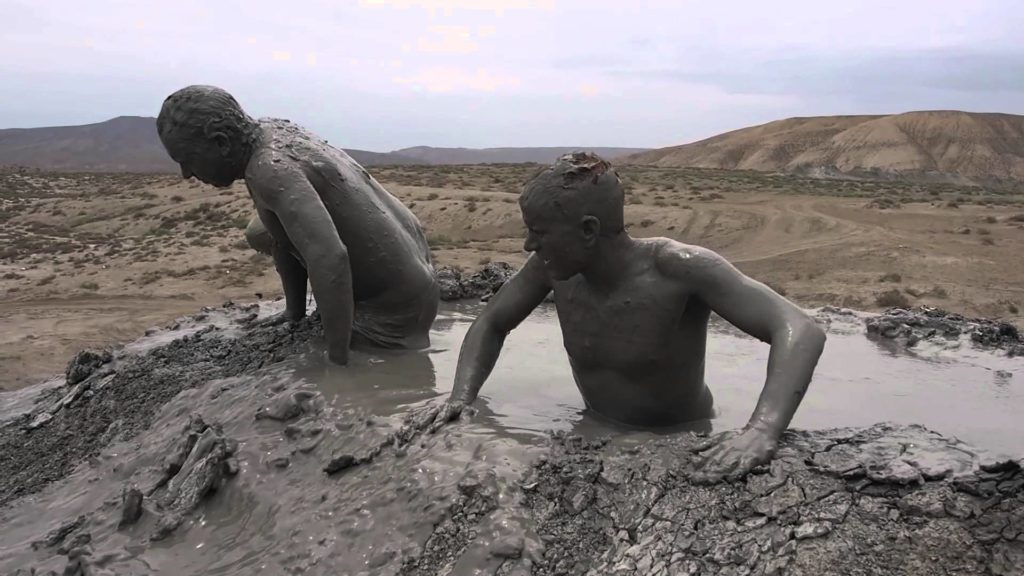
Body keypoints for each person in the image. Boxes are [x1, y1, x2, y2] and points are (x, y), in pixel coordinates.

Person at [409, 152, 827, 482]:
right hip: (593, 429)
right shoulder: (551, 269)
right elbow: (491, 322)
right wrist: (461, 398)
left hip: (680, 439)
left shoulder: (677, 268)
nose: (527, 244)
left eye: (540, 231)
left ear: (588, 230)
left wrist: (761, 430)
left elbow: (800, 330)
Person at [156, 85, 439, 364]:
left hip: (393, 317)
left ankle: (345, 344)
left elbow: (329, 256)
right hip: (417, 279)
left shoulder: (270, 169)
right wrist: (294, 314)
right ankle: (298, 312)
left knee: (319, 361)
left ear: (221, 143)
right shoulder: (269, 131)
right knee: (262, 230)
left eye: (187, 160)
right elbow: (282, 231)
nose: (185, 174)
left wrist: (337, 359)